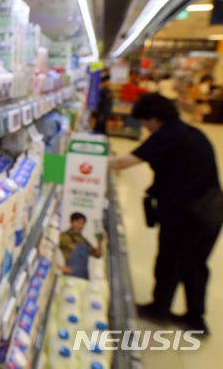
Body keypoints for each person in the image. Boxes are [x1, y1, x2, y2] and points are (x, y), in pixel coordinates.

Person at [109, 93, 221, 334]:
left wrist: (79, 164)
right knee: (195, 264)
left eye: (145, 122)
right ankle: (195, 319)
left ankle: (159, 310)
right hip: (211, 210)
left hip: (187, 213)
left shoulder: (168, 135)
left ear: (155, 118)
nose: (145, 128)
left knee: (170, 261)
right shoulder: (191, 132)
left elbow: (124, 162)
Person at [59, 212, 104, 279]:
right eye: (78, 222)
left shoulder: (83, 240)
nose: (80, 226)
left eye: (83, 223)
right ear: (71, 222)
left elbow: (98, 254)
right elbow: (50, 252)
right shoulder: (63, 236)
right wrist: (59, 267)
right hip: (69, 277)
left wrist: (99, 241)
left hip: (84, 277)